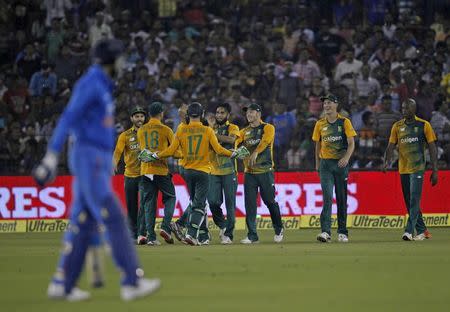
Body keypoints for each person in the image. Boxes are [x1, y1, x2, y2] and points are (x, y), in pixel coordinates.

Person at [32, 39, 160, 301]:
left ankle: (62, 283)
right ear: (111, 61)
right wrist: (51, 157)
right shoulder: (91, 83)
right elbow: (68, 117)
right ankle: (131, 281)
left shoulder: (102, 84)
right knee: (112, 216)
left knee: (84, 222)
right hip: (90, 157)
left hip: (95, 158)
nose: (123, 65)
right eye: (120, 60)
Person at [145, 102, 243, 246]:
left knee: (195, 201)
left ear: (189, 115)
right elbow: (219, 150)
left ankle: (197, 233)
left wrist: (155, 155)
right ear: (202, 114)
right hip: (203, 171)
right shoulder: (207, 131)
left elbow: (171, 151)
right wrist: (234, 154)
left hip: (186, 171)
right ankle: (192, 234)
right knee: (199, 204)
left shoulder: (181, 130)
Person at [383, 98, 438, 241]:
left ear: (414, 109)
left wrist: (435, 169)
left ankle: (409, 231)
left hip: (418, 168)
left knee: (414, 199)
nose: (404, 111)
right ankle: (422, 230)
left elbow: (432, 147)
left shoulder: (423, 125)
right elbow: (390, 145)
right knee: (409, 201)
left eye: (407, 108)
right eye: (402, 108)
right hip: (403, 169)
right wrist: (386, 161)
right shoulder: (397, 126)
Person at [235, 103, 284, 244]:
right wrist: (235, 151)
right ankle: (252, 235)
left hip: (265, 171)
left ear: (258, 113)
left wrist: (255, 152)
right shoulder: (244, 131)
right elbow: (236, 143)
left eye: (251, 112)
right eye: (247, 113)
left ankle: (278, 227)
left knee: (269, 201)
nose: (248, 114)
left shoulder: (268, 128)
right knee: (249, 205)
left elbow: (266, 141)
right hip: (249, 173)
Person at [312, 94, 356, 243]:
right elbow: (317, 143)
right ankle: (325, 232)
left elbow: (351, 143)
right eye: (325, 103)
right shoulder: (319, 124)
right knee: (327, 198)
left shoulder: (344, 122)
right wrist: (317, 163)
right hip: (325, 165)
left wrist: (346, 158)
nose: (326, 106)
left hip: (340, 164)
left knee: (342, 198)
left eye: (329, 103)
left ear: (336, 105)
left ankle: (343, 232)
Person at [137, 102, 179, 245]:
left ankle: (151, 237)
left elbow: (143, 152)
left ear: (149, 114)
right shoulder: (166, 130)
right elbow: (174, 151)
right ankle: (165, 227)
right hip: (161, 170)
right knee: (170, 197)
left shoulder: (141, 130)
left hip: (146, 171)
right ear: (161, 113)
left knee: (149, 204)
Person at [206, 103, 240, 244]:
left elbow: (231, 140)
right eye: (217, 112)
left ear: (228, 115)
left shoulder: (233, 127)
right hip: (213, 171)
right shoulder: (209, 128)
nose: (219, 115)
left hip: (229, 171)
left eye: (222, 113)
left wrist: (213, 133)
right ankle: (223, 225)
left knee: (230, 205)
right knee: (213, 202)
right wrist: (211, 129)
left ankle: (228, 235)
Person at [113, 106, 147, 244]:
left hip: (146, 174)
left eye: (141, 116)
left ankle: (143, 233)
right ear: (132, 118)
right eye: (137, 116)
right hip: (130, 175)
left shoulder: (148, 133)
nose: (139, 119)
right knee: (132, 206)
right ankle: (133, 234)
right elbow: (118, 151)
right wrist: (114, 163)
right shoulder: (125, 135)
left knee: (145, 205)